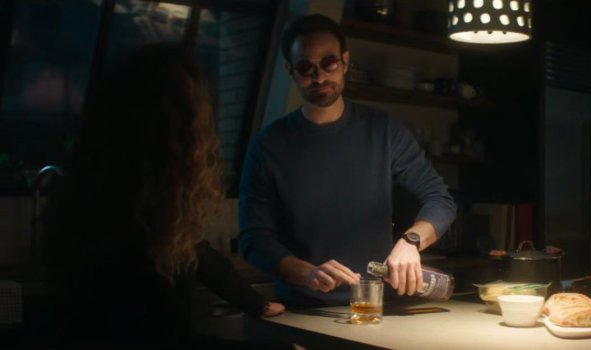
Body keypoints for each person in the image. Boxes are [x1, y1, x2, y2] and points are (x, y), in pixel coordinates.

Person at [41, 43, 294, 348]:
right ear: (170, 139)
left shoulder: (113, 200)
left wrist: (255, 303)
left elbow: (195, 252)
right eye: (195, 126)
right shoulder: (123, 229)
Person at [238, 14, 456, 308]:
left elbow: (440, 200)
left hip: (373, 306)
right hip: (305, 310)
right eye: (306, 68)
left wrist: (411, 242)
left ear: (345, 61)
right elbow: (253, 239)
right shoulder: (268, 145)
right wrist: (305, 273)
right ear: (290, 71)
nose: (319, 77)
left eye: (328, 63)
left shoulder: (383, 130)